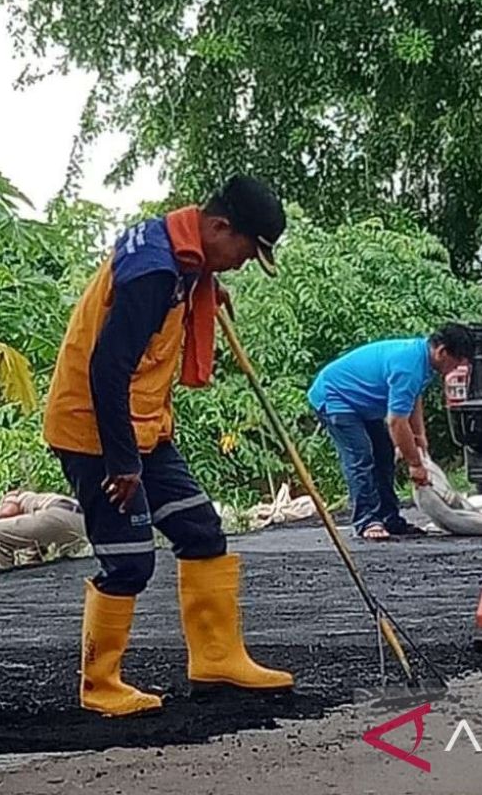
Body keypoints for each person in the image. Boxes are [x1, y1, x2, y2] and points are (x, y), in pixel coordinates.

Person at [43, 175, 293, 718]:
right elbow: (107, 368)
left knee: (201, 531)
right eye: (244, 252)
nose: (242, 264)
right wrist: (122, 463)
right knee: (130, 562)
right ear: (220, 226)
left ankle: (217, 660)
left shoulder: (182, 260)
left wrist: (204, 290)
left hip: (146, 424)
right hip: (97, 429)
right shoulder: (154, 272)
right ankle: (100, 684)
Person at [307, 325, 475, 541]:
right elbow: (396, 421)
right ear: (442, 352)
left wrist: (419, 436)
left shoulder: (424, 362)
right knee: (361, 456)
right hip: (337, 397)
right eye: (457, 361)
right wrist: (415, 465)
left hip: (365, 403)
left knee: (384, 455)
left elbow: (413, 397)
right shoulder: (409, 365)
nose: (457, 368)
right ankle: (367, 520)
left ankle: (389, 518)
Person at [0, 490, 87, 571]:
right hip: (81, 523)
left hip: (58, 514)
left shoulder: (17, 495)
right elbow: (33, 553)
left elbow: (8, 511)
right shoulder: (39, 514)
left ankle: (4, 578)